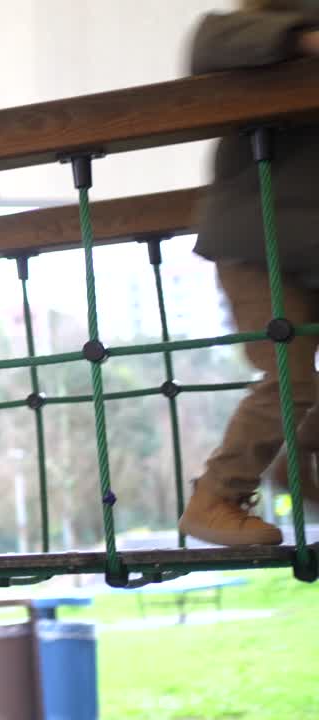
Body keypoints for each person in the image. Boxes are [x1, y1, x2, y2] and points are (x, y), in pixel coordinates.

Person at [178, 1, 319, 546]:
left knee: (294, 378)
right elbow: (210, 42)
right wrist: (304, 39)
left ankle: (297, 453)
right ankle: (216, 495)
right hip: (254, 237)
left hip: (307, 240)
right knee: (289, 373)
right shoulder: (260, 20)